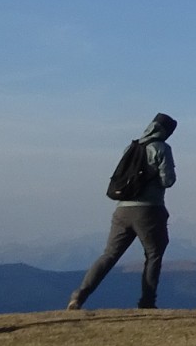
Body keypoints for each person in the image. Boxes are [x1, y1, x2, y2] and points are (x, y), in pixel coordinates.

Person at [68, 113, 177, 311]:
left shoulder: (131, 147)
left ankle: (79, 295)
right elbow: (168, 180)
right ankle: (147, 303)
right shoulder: (161, 148)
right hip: (149, 210)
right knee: (153, 254)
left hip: (121, 210)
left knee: (109, 254)